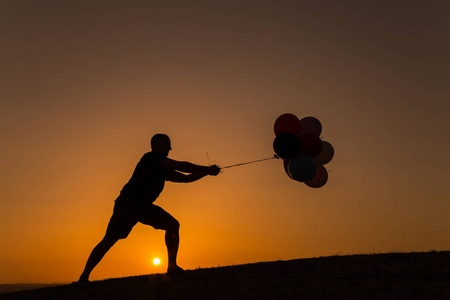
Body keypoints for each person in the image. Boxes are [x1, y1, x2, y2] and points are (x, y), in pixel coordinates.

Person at [76, 134, 220, 283]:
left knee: (172, 225)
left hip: (144, 207)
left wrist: (206, 173)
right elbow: (182, 165)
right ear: (156, 143)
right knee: (109, 239)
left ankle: (172, 266)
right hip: (127, 204)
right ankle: (84, 277)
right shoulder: (150, 158)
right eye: (167, 144)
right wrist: (207, 169)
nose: (170, 147)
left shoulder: (163, 167)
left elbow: (185, 178)